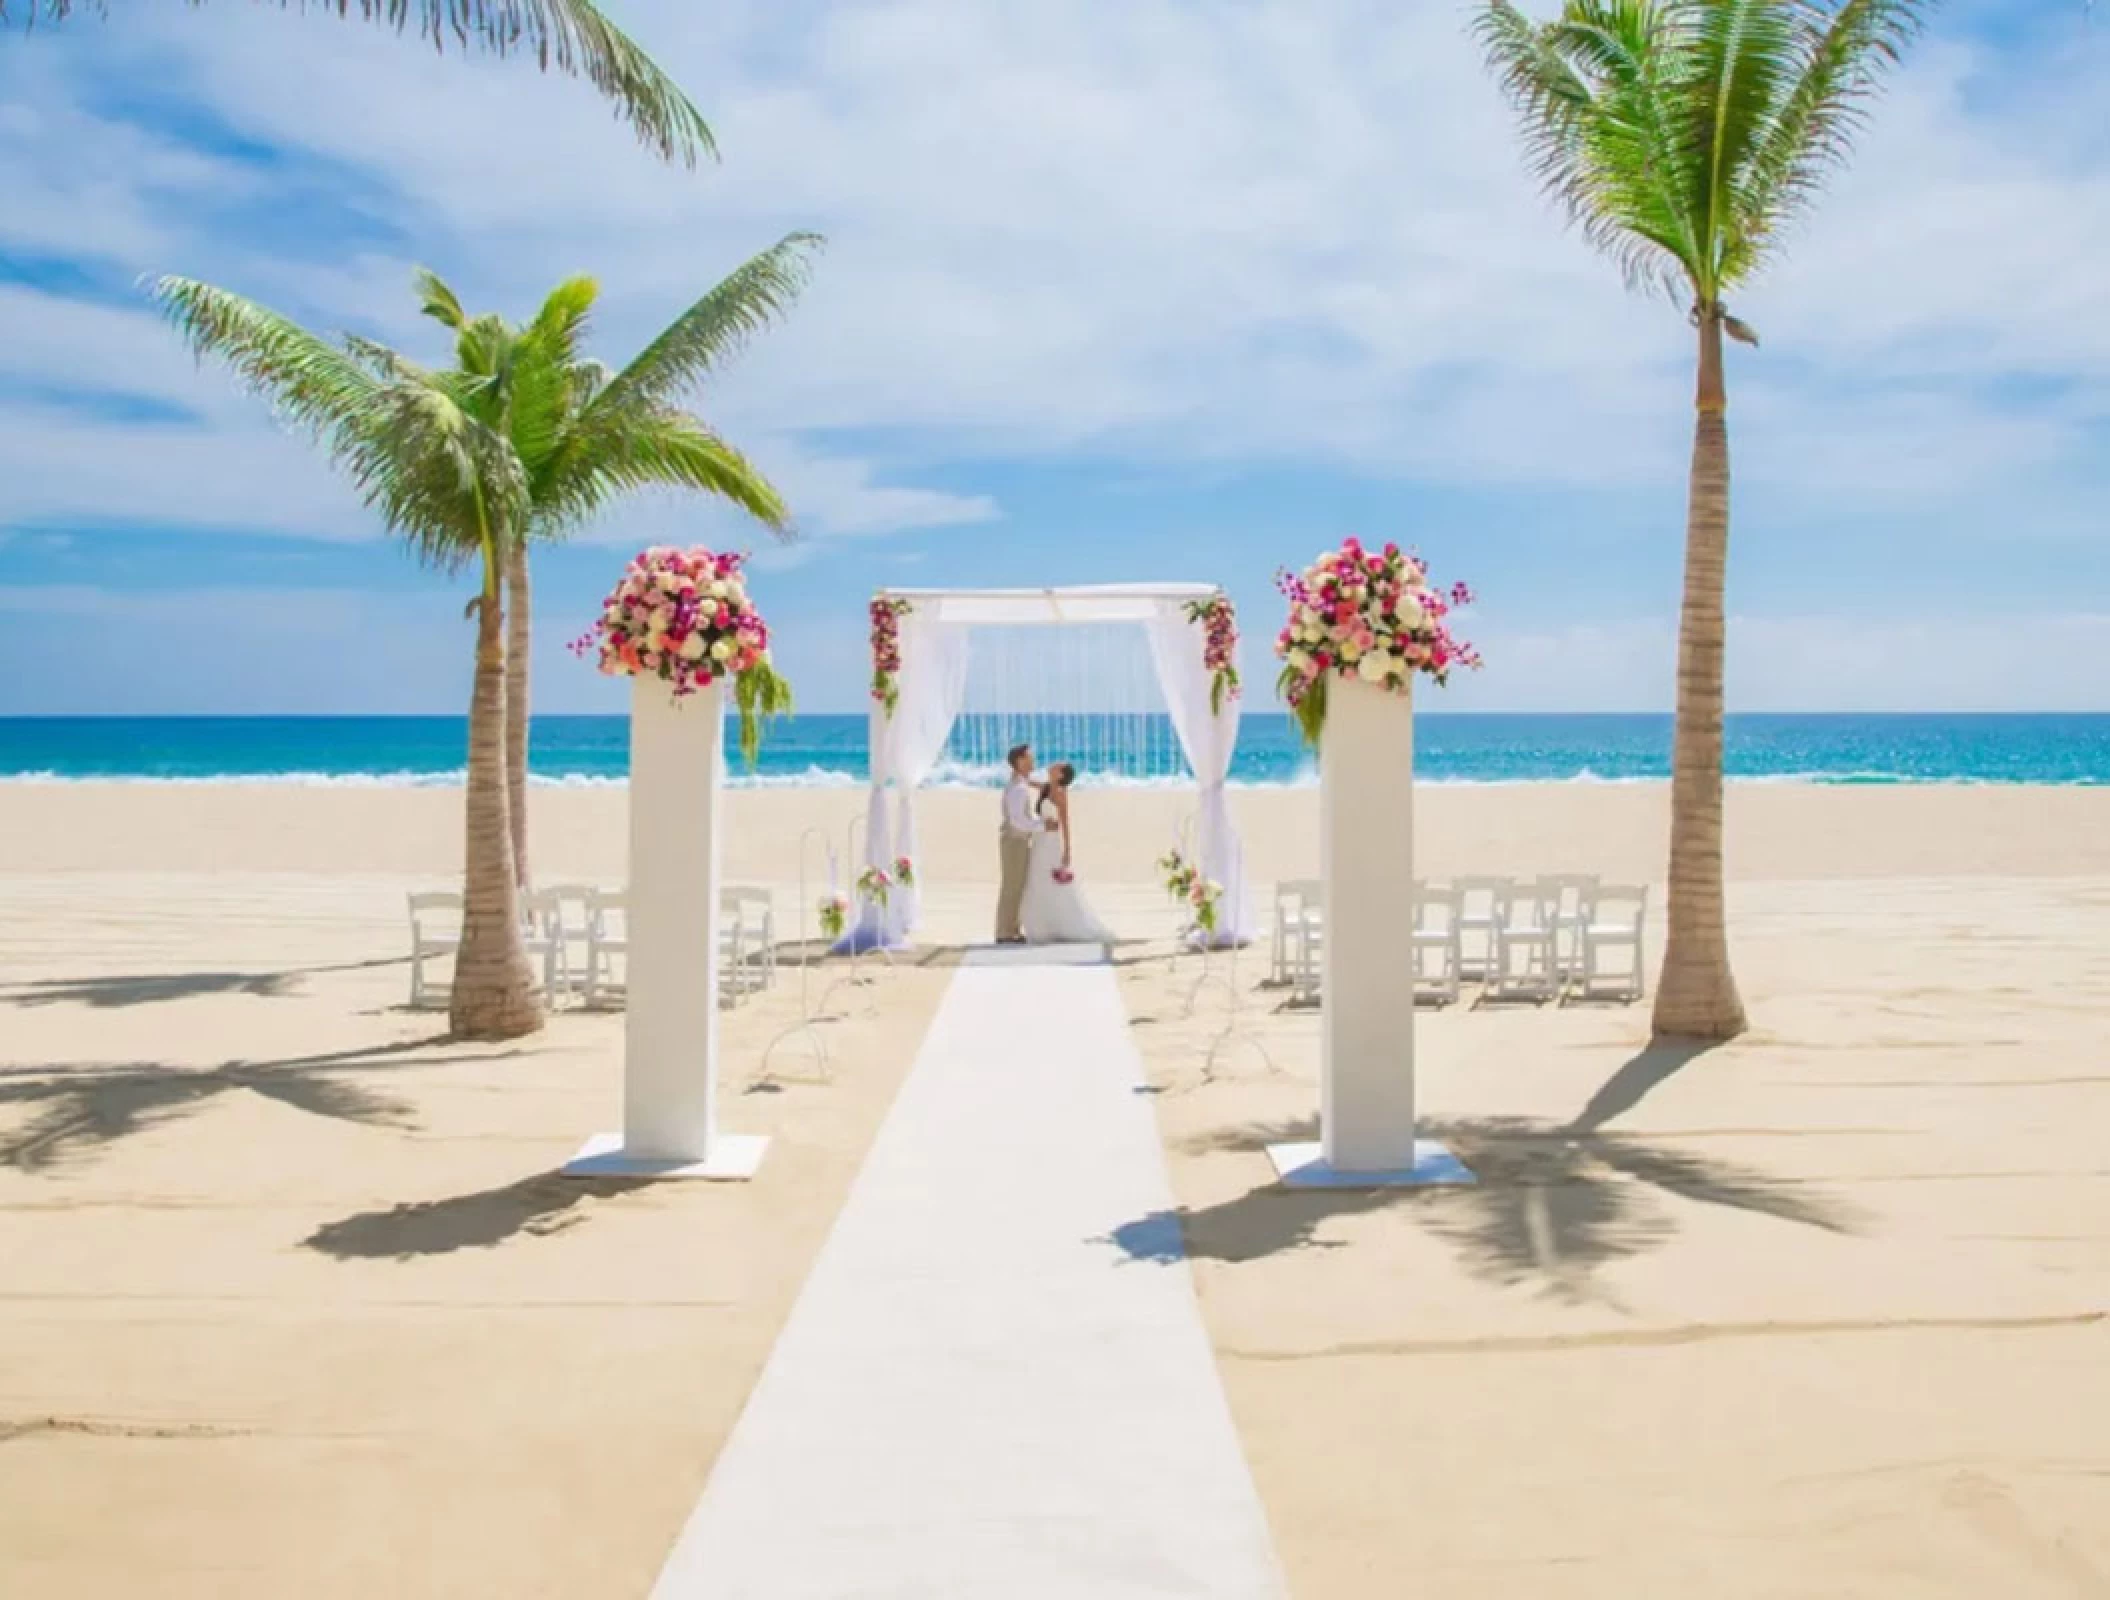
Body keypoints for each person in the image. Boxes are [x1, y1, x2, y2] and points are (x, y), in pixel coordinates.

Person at [1020, 762, 1115, 945]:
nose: (1052, 766)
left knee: (1053, 881)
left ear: (1061, 775)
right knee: (1037, 879)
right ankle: (1043, 925)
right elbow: (1028, 782)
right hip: (1040, 841)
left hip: (1052, 843)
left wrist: (1067, 850)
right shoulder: (1047, 787)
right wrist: (1018, 771)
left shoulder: (1060, 793)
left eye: (1057, 767)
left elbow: (1065, 822)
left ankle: (1062, 924)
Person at [995, 742, 1053, 944]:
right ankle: (1004, 932)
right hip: (1015, 842)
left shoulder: (1020, 782)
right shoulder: (1018, 789)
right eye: (1029, 758)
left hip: (1015, 841)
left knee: (1016, 885)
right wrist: (1044, 825)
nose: (1033, 760)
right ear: (1019, 762)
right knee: (1012, 886)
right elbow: (1019, 821)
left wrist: (1041, 785)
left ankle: (1011, 929)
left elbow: (1029, 781)